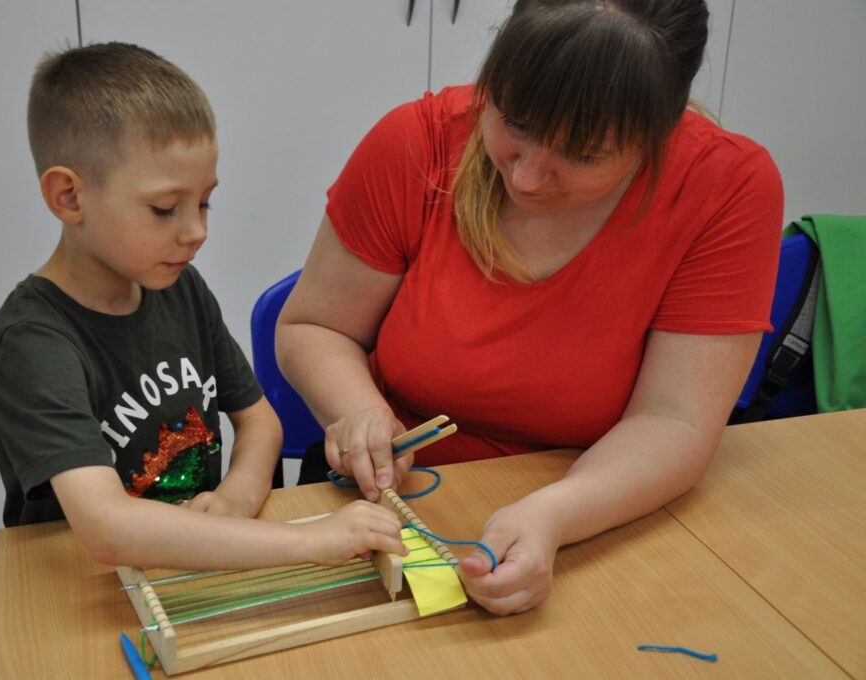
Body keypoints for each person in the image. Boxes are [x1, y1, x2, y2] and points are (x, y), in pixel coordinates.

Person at [276, 0, 782, 614]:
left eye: (584, 156)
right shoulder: (417, 142)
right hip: (389, 502)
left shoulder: (725, 186)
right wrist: (359, 414)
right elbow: (315, 326)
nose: (527, 178)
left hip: (595, 514)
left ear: (659, 132)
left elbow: (675, 421)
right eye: (513, 121)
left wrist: (554, 514)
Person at [0, 42, 405, 572]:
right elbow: (108, 529)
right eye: (165, 209)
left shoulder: (179, 288)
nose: (197, 231)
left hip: (194, 573)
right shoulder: (34, 341)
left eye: (204, 201)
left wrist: (233, 501)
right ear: (69, 197)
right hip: (88, 589)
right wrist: (312, 543)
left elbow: (259, 424)